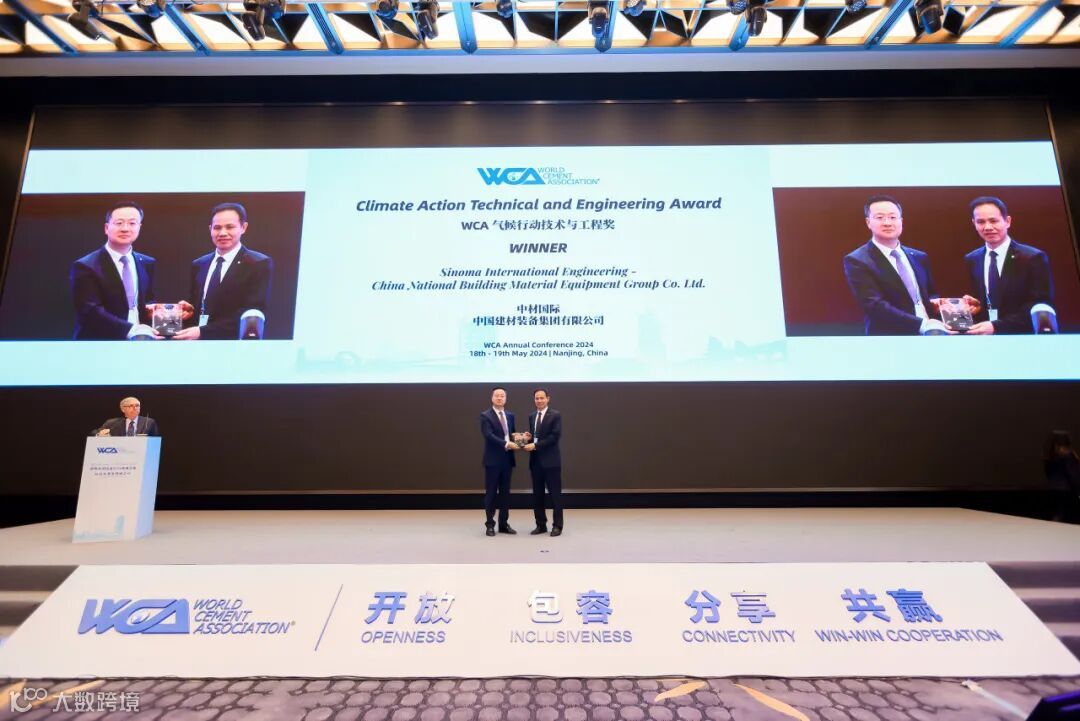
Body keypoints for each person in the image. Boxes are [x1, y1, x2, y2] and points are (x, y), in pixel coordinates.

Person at [843, 195, 950, 336]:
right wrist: (922, 324)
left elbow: (930, 293)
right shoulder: (857, 260)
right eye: (880, 217)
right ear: (868, 222)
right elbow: (874, 305)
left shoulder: (919, 256)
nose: (887, 223)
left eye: (893, 217)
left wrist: (935, 303)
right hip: (891, 337)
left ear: (901, 221)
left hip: (931, 332)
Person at [173, 202, 273, 341]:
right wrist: (191, 310)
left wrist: (203, 332)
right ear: (210, 229)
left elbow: (252, 313)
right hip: (198, 344)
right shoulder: (200, 264)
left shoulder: (257, 263)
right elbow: (205, 307)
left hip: (232, 344)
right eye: (217, 228)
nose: (222, 233)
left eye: (230, 227)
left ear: (243, 227)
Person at [964, 196, 1054, 335]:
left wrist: (996, 326)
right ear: (974, 223)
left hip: (1022, 337)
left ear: (1007, 221)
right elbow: (991, 300)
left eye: (993, 221)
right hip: (985, 337)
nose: (988, 227)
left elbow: (1039, 305)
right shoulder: (973, 259)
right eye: (980, 222)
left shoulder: (1032, 258)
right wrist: (977, 306)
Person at [70, 201, 158, 340]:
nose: (125, 228)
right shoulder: (85, 266)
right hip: (100, 343)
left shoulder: (147, 263)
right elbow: (90, 311)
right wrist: (131, 330)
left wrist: (157, 311)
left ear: (139, 227)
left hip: (141, 340)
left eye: (132, 223)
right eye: (119, 223)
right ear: (106, 228)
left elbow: (147, 301)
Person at [524, 388, 564, 537]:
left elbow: (554, 437)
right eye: (537, 398)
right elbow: (537, 436)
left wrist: (535, 445)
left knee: (555, 496)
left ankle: (557, 526)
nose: (539, 400)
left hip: (551, 462)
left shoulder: (555, 415)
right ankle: (540, 525)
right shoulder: (532, 416)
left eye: (542, 398)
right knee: (537, 495)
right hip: (535, 462)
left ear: (548, 399)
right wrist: (529, 437)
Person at [480, 387, 517, 537]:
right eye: (497, 395)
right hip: (493, 460)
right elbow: (488, 435)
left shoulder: (510, 415)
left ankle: (503, 524)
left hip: (507, 460)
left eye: (502, 396)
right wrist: (506, 444)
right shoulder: (485, 415)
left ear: (506, 399)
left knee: (505, 494)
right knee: (491, 493)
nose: (500, 398)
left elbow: (511, 434)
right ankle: (490, 524)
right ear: (492, 398)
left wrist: (522, 438)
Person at [1044, 431, 1080, 524]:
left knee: (1057, 515)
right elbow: (1072, 474)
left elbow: (1048, 472)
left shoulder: (1050, 456)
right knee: (1066, 516)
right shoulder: (1069, 456)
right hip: (1066, 489)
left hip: (1053, 488)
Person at [93, 397, 160, 437]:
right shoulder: (113, 423)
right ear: (123, 409)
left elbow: (155, 440)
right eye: (131, 406)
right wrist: (99, 434)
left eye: (137, 405)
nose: (135, 408)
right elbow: (94, 433)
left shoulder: (148, 422)